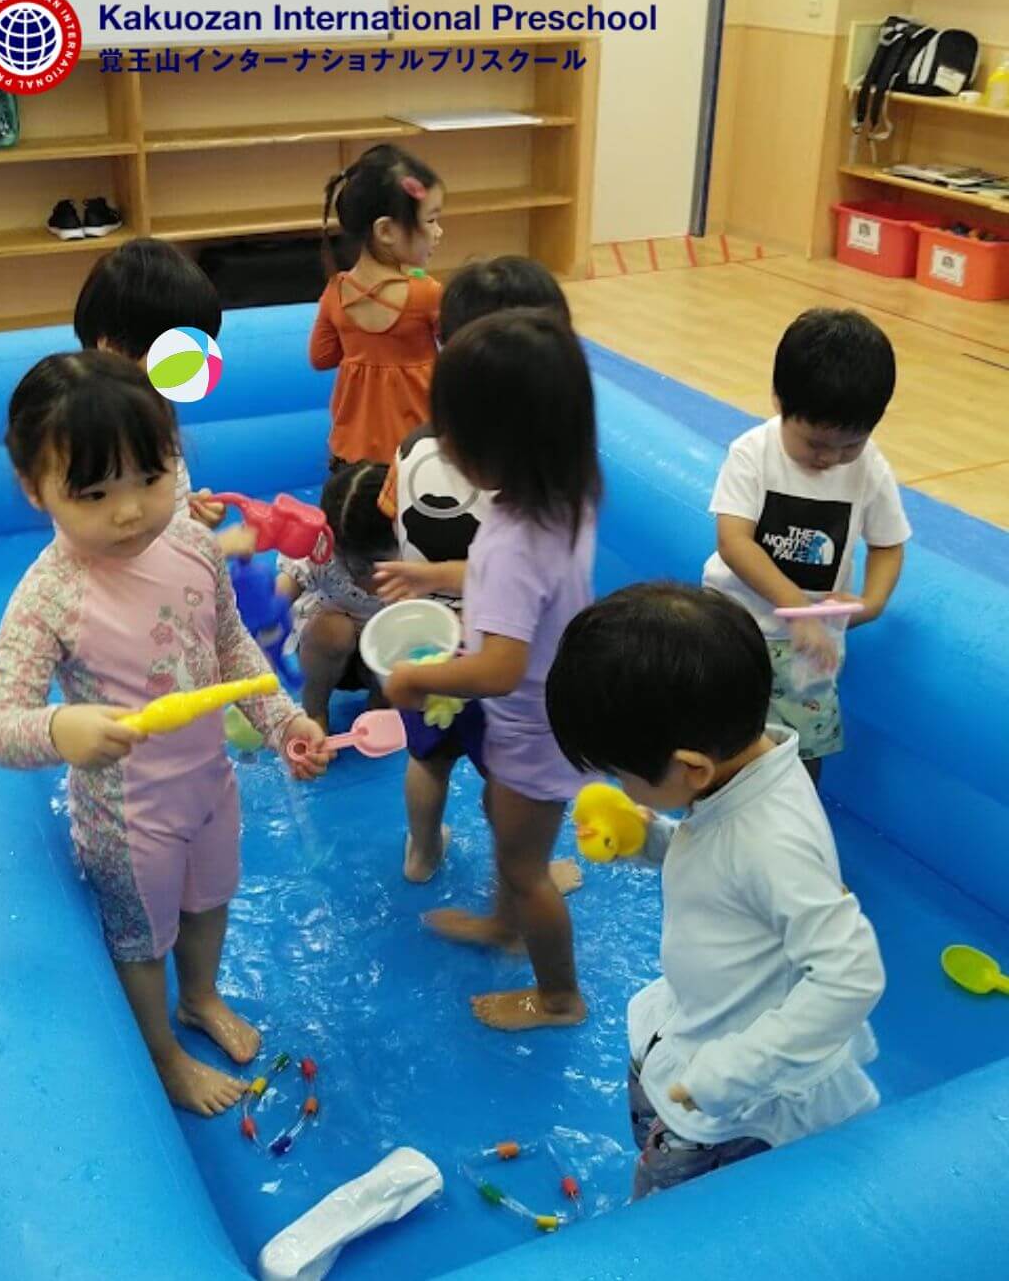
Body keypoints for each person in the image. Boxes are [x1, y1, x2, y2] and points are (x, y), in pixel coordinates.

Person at [0, 352, 329, 1117]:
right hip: (129, 819)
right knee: (141, 944)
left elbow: (230, 645)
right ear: (35, 488)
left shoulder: (192, 544)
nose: (131, 510)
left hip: (208, 783)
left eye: (151, 476)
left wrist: (283, 722)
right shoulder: (47, 599)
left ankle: (200, 998)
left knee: (212, 901)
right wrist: (59, 726)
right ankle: (163, 1055)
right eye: (95, 493)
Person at [545, 582, 885, 1199]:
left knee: (671, 1211)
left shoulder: (772, 840)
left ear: (692, 767)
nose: (618, 785)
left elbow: (852, 976)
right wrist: (651, 838)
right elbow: (726, 870)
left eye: (621, 775)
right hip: (688, 1027)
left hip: (726, 1097)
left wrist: (735, 1070)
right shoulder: (741, 770)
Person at [380, 309, 599, 1031]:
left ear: (494, 446)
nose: (440, 443)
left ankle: (558, 995)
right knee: (504, 829)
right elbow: (522, 590)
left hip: (530, 725)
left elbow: (501, 667)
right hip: (559, 708)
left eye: (451, 433)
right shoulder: (566, 496)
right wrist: (442, 572)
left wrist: (419, 679)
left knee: (525, 868)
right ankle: (506, 922)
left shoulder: (512, 542)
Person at [375, 256, 573, 883]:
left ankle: (422, 850)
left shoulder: (413, 446)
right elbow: (521, 574)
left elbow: (392, 518)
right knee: (509, 774)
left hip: (424, 640)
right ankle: (523, 872)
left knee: (428, 758)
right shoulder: (533, 475)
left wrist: (427, 575)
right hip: (495, 656)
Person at [703, 308, 911, 783]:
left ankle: (795, 818)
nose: (831, 458)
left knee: (802, 751)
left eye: (850, 444)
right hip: (733, 627)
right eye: (816, 443)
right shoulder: (753, 453)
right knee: (719, 738)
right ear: (779, 401)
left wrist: (872, 603)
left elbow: (889, 544)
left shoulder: (869, 468)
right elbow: (734, 542)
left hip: (810, 646)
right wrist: (797, 607)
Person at [74, 236, 228, 532]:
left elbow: (155, 502)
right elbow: (114, 535)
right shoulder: (92, 428)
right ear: (110, 348)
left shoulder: (149, 402)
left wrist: (191, 518)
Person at [313, 144, 444, 468]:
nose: (438, 232)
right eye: (430, 220)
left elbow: (321, 357)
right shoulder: (427, 294)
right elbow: (459, 355)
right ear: (385, 230)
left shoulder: (335, 292)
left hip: (350, 456)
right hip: (416, 456)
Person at [277, 461, 397, 730]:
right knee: (333, 629)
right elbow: (280, 594)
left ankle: (381, 707)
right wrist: (265, 612)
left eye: (370, 563)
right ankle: (314, 712)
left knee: (404, 631)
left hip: (385, 657)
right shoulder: (321, 551)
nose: (357, 569)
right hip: (328, 657)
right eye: (344, 557)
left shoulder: (414, 556)